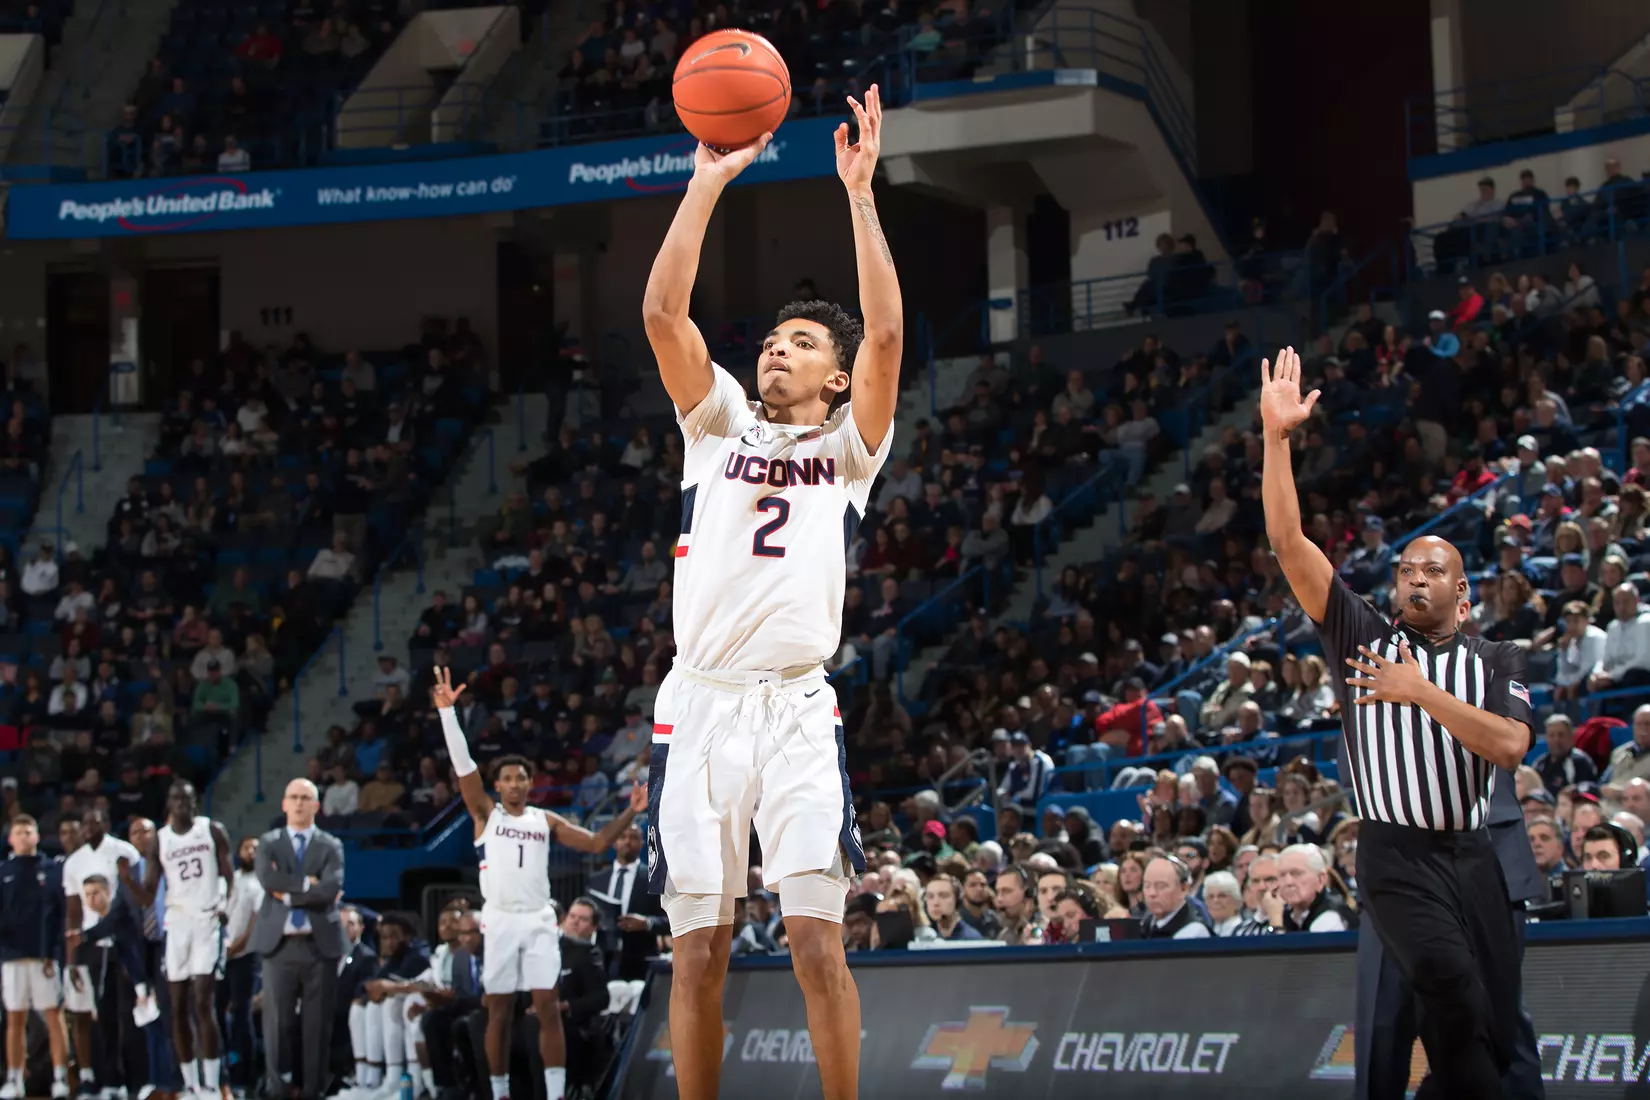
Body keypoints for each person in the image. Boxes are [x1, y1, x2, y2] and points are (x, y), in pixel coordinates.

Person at [637, 84, 902, 1100]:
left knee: (815, 942)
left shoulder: (849, 450)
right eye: (774, 338)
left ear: (836, 379)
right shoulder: (717, 425)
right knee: (697, 953)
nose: (777, 347)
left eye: (803, 342)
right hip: (700, 705)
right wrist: (705, 185)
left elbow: (885, 338)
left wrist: (860, 194)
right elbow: (662, 313)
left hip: (795, 708)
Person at [1262, 345, 1534, 1096]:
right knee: (1452, 988)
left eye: (1433, 570)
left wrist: (1420, 692)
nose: (1414, 576)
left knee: (1491, 1026)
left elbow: (1509, 746)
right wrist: (1276, 440)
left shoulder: (1498, 659)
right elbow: (1288, 543)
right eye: (1406, 568)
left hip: (1473, 854)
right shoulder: (1360, 635)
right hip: (1395, 854)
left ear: (1464, 597)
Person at [432, 668, 645, 1100]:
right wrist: (448, 715)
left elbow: (596, 843)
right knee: (498, 1010)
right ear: (497, 785)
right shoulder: (485, 815)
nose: (515, 783)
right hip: (500, 920)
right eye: (507, 778)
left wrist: (630, 811)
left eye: (521, 777)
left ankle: (555, 1093)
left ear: (530, 783)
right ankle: (499, 1092)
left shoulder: (545, 820)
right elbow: (464, 766)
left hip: (538, 920)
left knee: (547, 1008)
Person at [124, 781, 234, 1100]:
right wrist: (127, 879)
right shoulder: (160, 840)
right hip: (177, 925)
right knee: (177, 1006)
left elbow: (228, 875)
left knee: (203, 1001)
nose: (182, 804)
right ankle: (191, 1083)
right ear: (168, 804)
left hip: (206, 920)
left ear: (195, 801)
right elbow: (148, 895)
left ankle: (212, 1083)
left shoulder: (212, 830)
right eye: (176, 799)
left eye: (187, 798)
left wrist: (223, 904)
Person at [253, 778, 346, 1100]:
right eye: (293, 797)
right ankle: (278, 1091)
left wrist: (288, 894)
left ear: (316, 805)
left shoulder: (331, 845)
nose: (298, 803)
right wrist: (308, 885)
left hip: (320, 947)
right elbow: (267, 878)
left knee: (316, 1027)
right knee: (276, 1026)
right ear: (283, 803)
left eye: (305, 798)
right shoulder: (268, 842)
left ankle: (312, 1092)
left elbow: (331, 888)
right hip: (278, 946)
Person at [60, 809, 140, 1100]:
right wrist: (72, 958)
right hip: (90, 944)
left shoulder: (124, 851)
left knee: (128, 1015)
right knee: (100, 1016)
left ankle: (135, 1081)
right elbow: (73, 912)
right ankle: (107, 1081)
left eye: (95, 822)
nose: (90, 828)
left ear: (106, 824)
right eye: (86, 823)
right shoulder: (74, 862)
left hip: (123, 940)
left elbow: (135, 897)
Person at [0, 814, 69, 1100]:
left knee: (54, 1016)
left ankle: (61, 1078)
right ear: (10, 839)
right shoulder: (3, 871)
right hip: (12, 957)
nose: (24, 836)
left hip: (44, 958)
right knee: (15, 1017)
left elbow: (61, 914)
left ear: (37, 836)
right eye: (19, 832)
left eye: (29, 832)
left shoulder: (52, 869)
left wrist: (55, 952)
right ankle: (15, 1079)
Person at [588, 825, 667, 981]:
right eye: (622, 837)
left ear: (642, 843)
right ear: (614, 842)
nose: (627, 841)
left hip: (640, 959)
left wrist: (647, 923)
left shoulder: (656, 879)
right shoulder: (596, 880)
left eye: (634, 837)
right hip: (601, 960)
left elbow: (672, 920)